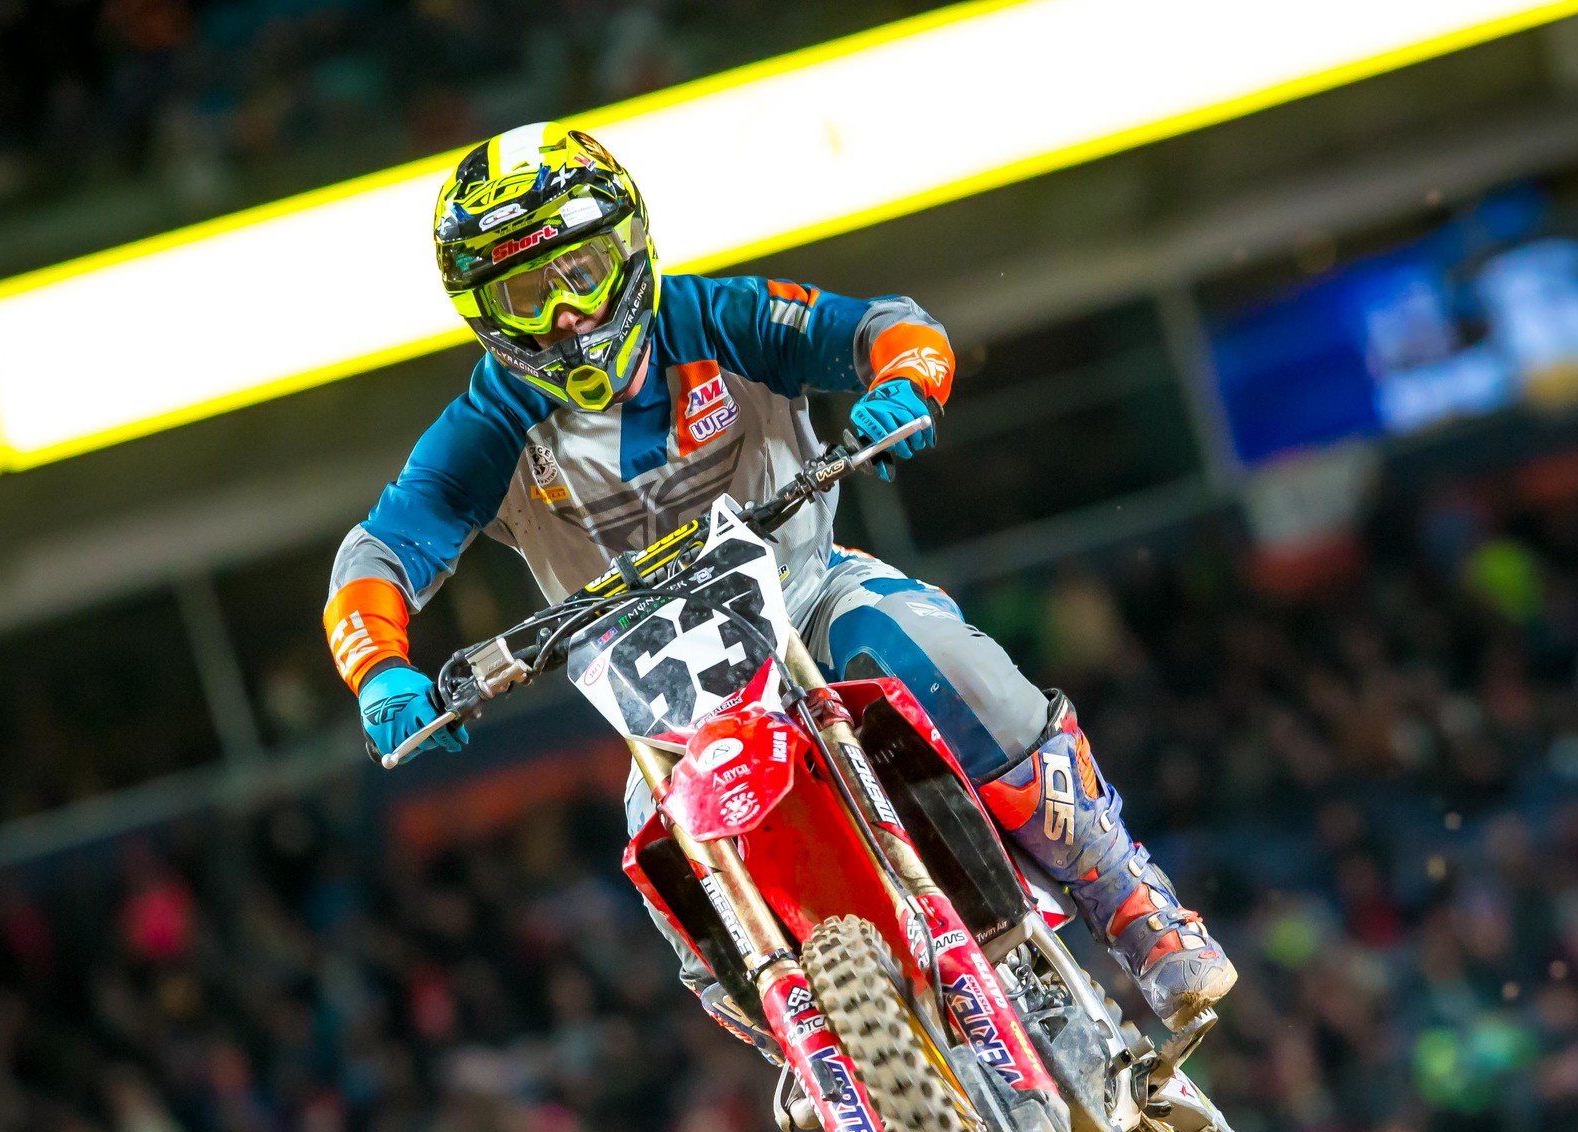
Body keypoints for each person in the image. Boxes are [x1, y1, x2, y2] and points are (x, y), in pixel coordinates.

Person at [321, 122, 1232, 1040]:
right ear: (485, 314)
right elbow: (379, 552)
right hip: (662, 703)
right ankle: (819, 1061)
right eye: (527, 292)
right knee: (667, 868)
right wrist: (380, 669)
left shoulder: (720, 318)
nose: (567, 315)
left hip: (808, 601)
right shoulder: (488, 425)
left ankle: (1131, 902)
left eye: (583, 269)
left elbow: (884, 324)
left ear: (631, 248)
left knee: (934, 657)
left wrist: (906, 379)